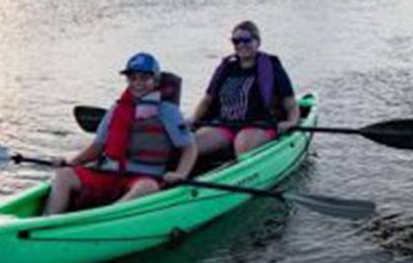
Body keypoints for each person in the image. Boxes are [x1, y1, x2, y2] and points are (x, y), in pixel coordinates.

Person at [43, 53, 198, 216]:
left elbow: (189, 147)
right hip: (109, 173)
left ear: (156, 81)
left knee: (148, 188)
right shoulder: (117, 109)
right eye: (133, 78)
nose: (138, 83)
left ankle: (105, 217)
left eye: (144, 78)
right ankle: (46, 221)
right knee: (63, 175)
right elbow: (97, 147)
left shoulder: (168, 112)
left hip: (143, 176)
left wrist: (180, 174)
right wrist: (71, 162)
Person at [190, 20, 300, 158]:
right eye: (236, 41)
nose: (241, 45)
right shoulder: (226, 68)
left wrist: (291, 123)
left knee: (242, 143)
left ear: (257, 42)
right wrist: (192, 121)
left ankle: (238, 171)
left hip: (259, 125)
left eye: (246, 40)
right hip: (225, 124)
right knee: (191, 145)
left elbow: (291, 104)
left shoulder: (272, 68)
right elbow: (207, 100)